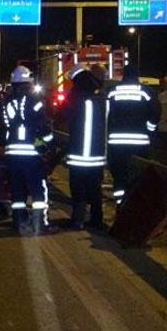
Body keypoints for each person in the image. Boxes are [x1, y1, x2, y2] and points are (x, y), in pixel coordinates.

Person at [2, 65, 54, 235]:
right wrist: (49, 145)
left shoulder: (7, 101)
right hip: (31, 153)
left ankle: (19, 222)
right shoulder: (35, 100)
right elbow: (43, 125)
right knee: (38, 189)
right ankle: (40, 223)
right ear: (28, 81)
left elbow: (3, 126)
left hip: (12, 153)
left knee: (17, 190)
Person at [106, 65, 159, 204]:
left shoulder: (112, 92)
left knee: (119, 174)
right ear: (137, 75)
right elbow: (155, 114)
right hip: (139, 143)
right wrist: (149, 131)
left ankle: (120, 203)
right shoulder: (146, 92)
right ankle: (135, 203)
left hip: (116, 142)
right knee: (138, 174)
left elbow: (105, 115)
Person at [64, 63, 107, 230]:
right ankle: (97, 220)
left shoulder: (74, 96)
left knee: (78, 187)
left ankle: (78, 220)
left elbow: (61, 116)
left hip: (78, 154)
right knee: (95, 189)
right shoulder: (101, 95)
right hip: (97, 154)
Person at [156, 75, 167, 140]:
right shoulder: (159, 95)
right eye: (161, 82)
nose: (162, 84)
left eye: (165, 82)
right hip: (161, 126)